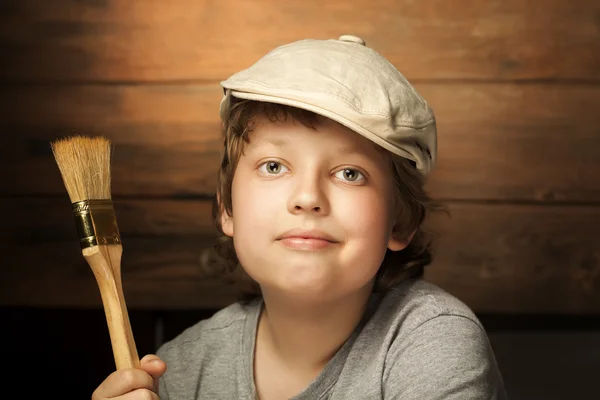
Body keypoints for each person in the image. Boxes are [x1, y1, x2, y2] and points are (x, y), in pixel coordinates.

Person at [92, 34, 508, 400]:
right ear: (227, 208)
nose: (308, 198)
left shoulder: (430, 342)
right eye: (274, 166)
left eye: (350, 173)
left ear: (400, 221)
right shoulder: (178, 371)